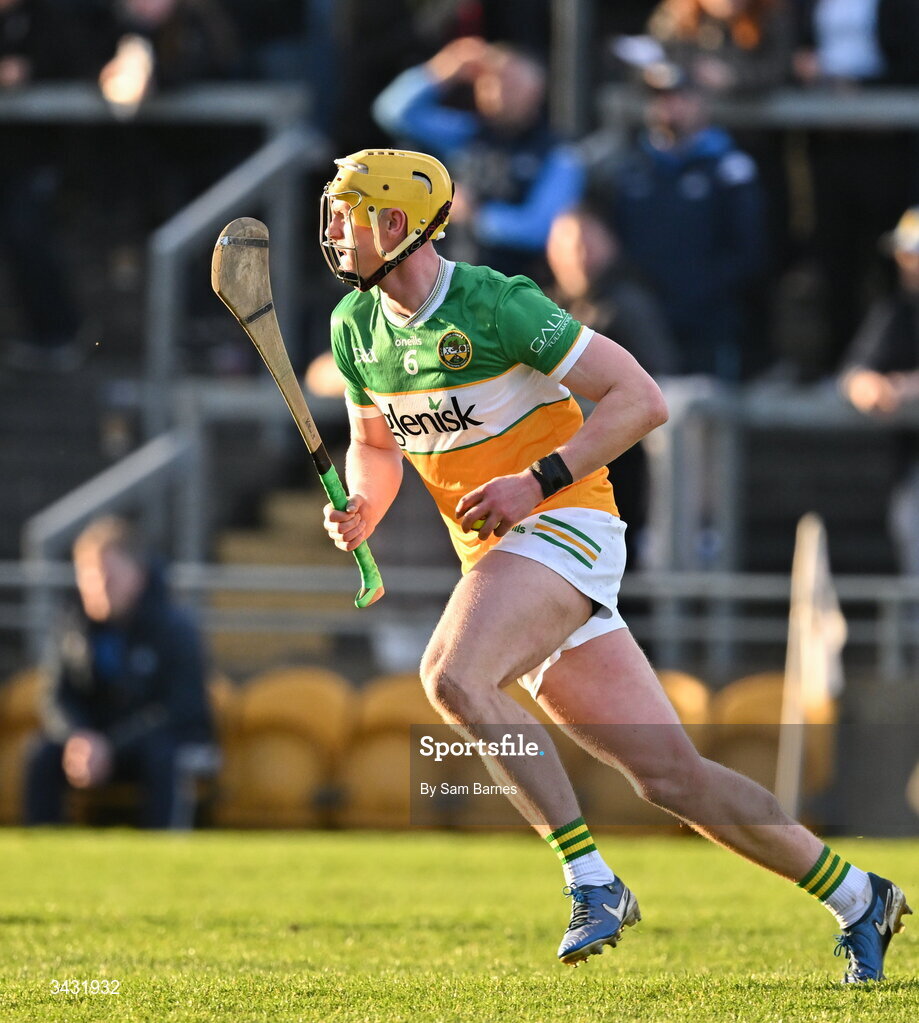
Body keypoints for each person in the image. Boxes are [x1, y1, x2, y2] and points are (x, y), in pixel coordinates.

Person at [317, 147, 910, 981]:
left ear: (398, 224)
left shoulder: (497, 304)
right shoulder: (354, 329)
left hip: (567, 525)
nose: (336, 231)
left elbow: (642, 398)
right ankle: (859, 897)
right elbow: (374, 445)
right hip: (501, 558)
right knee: (670, 776)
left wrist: (536, 480)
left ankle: (589, 878)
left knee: (451, 675)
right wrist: (364, 507)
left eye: (350, 213)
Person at [23, 516, 216, 829]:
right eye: (88, 576)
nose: (97, 586)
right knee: (42, 754)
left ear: (137, 576)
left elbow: (181, 709)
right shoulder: (72, 629)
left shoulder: (176, 629)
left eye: (107, 576)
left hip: (153, 745)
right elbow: (57, 697)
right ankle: (45, 852)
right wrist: (79, 737)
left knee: (163, 756)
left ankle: (163, 855)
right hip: (96, 746)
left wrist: (111, 747)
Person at [607, 62, 768, 382]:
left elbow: (750, 252)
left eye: (681, 96)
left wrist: (703, 290)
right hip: (644, 320)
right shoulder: (628, 168)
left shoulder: (730, 170)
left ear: (703, 102)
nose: (669, 106)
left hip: (709, 322)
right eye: (660, 97)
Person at [373, 36, 585, 279]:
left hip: (518, 291)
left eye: (510, 82)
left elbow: (540, 230)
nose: (498, 90)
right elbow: (393, 112)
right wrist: (442, 70)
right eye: (489, 81)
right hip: (454, 286)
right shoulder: (467, 134)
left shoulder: (560, 153)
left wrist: (475, 214)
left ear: (537, 89)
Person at [840, 206, 919, 575]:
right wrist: (867, 384)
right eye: (906, 254)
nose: (908, 263)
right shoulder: (899, 312)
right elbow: (857, 373)